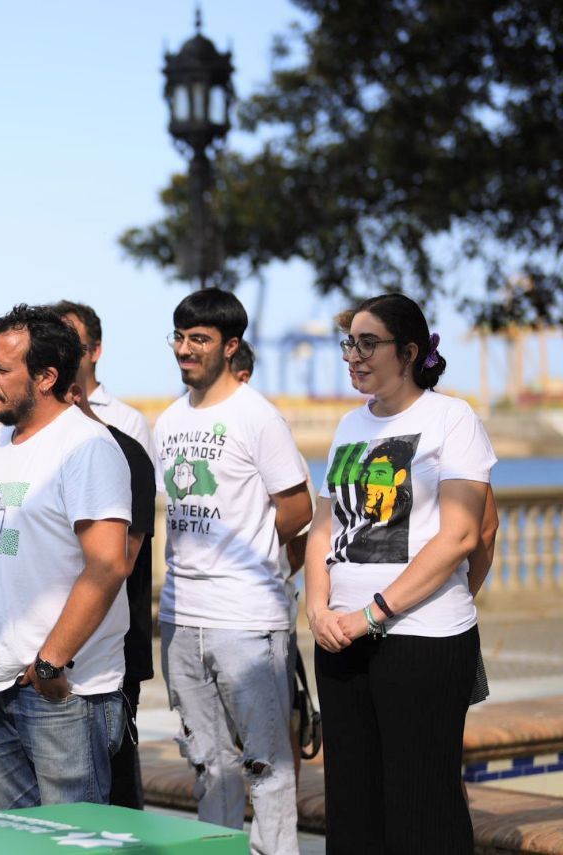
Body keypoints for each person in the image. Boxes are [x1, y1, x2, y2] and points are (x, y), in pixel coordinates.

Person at [306, 294, 495, 854]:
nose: (353, 355)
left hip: (421, 640)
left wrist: (374, 614)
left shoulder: (451, 418)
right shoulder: (349, 424)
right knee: (352, 812)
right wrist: (316, 609)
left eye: (369, 344)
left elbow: (465, 535)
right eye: (349, 343)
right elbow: (323, 528)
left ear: (409, 352)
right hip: (339, 638)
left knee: (422, 811)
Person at [0, 304, 132, 810]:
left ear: (46, 377)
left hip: (63, 694)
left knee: (73, 840)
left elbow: (108, 564)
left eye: (1, 369)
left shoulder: (86, 447)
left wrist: (52, 662)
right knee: (10, 839)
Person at [155, 289, 311, 855]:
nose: (185, 349)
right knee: (207, 761)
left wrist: (253, 556)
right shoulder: (168, 420)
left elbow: (297, 508)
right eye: (179, 337)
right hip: (180, 616)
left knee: (266, 763)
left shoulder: (257, 416)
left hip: (246, 619)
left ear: (230, 345)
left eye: (199, 339)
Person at [64, 381, 155, 810]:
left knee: (113, 798)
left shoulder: (123, 452)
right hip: (35, 661)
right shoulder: (21, 450)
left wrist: (51, 656)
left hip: (107, 661)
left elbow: (118, 562)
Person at [231, 339, 315, 785]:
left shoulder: (268, 433)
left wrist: (257, 566)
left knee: (277, 722)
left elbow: (304, 527)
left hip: (263, 612)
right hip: (208, 612)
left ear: (241, 376)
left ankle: (282, 815)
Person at [52, 299, 154, 463]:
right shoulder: (35, 416)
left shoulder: (128, 421)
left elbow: (140, 477)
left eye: (71, 346)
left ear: (95, 350)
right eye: (54, 346)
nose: (62, 354)